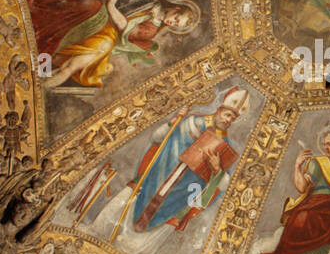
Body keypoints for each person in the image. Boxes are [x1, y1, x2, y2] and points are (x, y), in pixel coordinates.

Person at [96, 87, 249, 239]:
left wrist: (217, 169)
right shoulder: (191, 121)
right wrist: (174, 122)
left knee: (142, 241)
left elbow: (223, 184)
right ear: (219, 109)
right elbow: (157, 138)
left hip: (178, 198)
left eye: (232, 119)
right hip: (154, 178)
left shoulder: (223, 146)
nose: (228, 120)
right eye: (227, 114)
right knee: (115, 214)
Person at [26, 0, 198, 89]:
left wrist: (111, 5)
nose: (172, 23)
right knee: (89, 4)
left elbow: (124, 26)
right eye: (176, 19)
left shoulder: (151, 30)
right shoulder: (152, 2)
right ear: (175, 9)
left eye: (176, 25)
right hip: (104, 14)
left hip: (108, 33)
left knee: (69, 67)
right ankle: (37, 5)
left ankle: (39, 83)